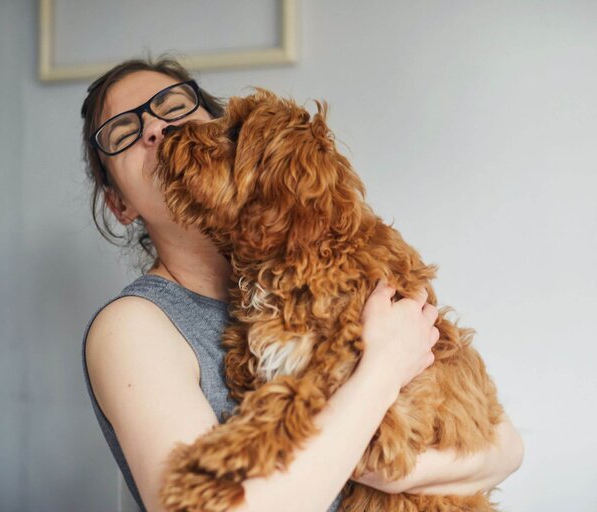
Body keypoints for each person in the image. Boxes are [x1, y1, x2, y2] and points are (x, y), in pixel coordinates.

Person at [80, 56, 524, 512]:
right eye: (123, 133)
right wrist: (383, 369)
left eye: (171, 106)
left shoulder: (329, 271)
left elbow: (505, 449)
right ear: (119, 204)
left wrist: (389, 470)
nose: (156, 129)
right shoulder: (132, 327)